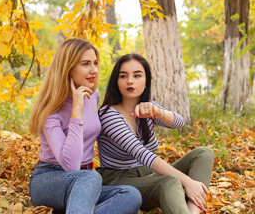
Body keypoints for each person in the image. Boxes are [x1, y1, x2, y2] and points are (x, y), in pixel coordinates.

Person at [28, 39, 142, 214]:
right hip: (50, 180)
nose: (94, 70)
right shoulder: (50, 111)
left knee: (130, 195)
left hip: (85, 181)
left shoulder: (93, 95)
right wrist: (76, 111)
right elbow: (71, 165)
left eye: (95, 63)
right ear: (68, 67)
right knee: (90, 178)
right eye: (86, 64)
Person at [96, 53, 214, 214]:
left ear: (146, 82)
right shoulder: (108, 114)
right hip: (119, 181)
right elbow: (141, 153)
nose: (130, 81)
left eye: (137, 75)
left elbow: (179, 122)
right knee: (170, 181)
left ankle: (193, 211)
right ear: (116, 82)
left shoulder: (148, 107)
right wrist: (187, 181)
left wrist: (157, 112)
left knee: (203, 154)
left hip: (147, 176)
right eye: (123, 76)